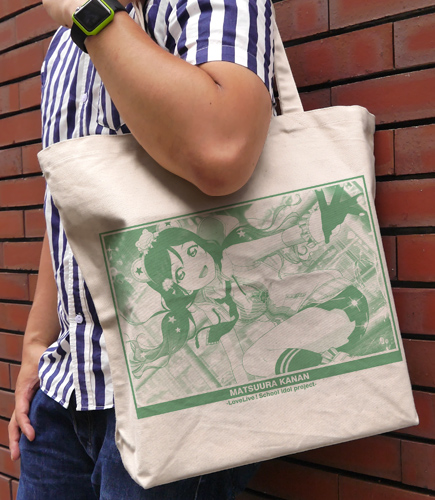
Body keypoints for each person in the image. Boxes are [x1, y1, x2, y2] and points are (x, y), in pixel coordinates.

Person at [8, 0, 274, 498]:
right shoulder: (63, 46)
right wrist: (34, 350)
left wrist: (89, 13)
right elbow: (68, 202)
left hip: (179, 393)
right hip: (65, 390)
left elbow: (223, 148)